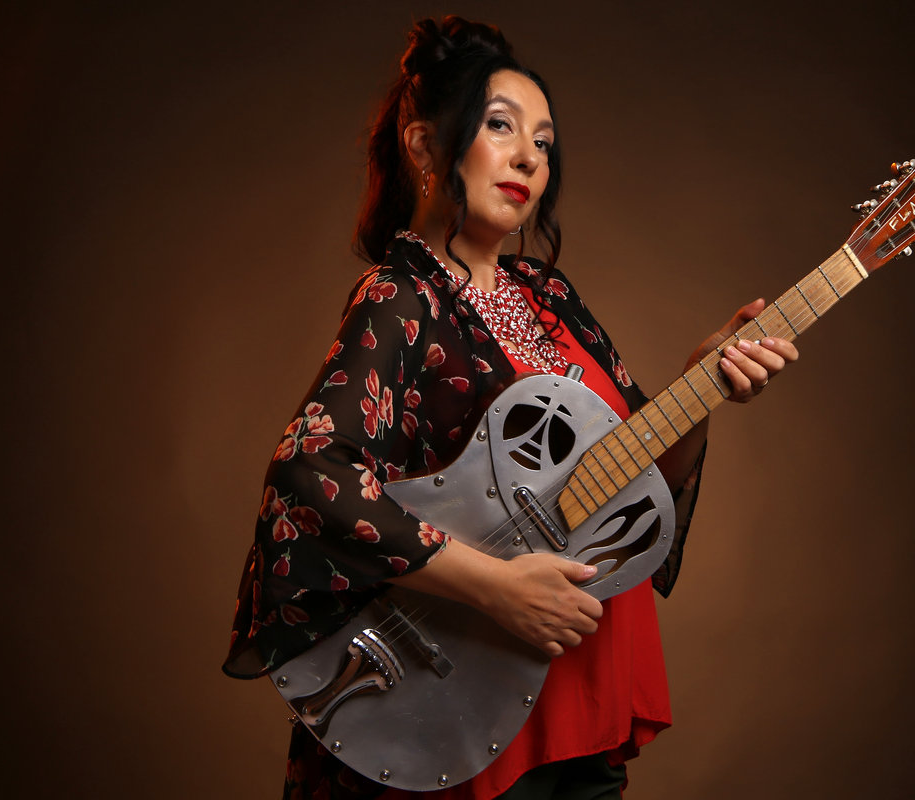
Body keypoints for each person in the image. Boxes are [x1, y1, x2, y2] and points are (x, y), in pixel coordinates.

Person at [223, 16, 798, 800]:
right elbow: (311, 473)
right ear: (424, 147)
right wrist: (498, 589)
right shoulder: (402, 298)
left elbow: (636, 482)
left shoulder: (550, 297)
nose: (531, 156)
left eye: (545, 141)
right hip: (468, 706)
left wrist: (702, 388)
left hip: (583, 695)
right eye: (501, 126)